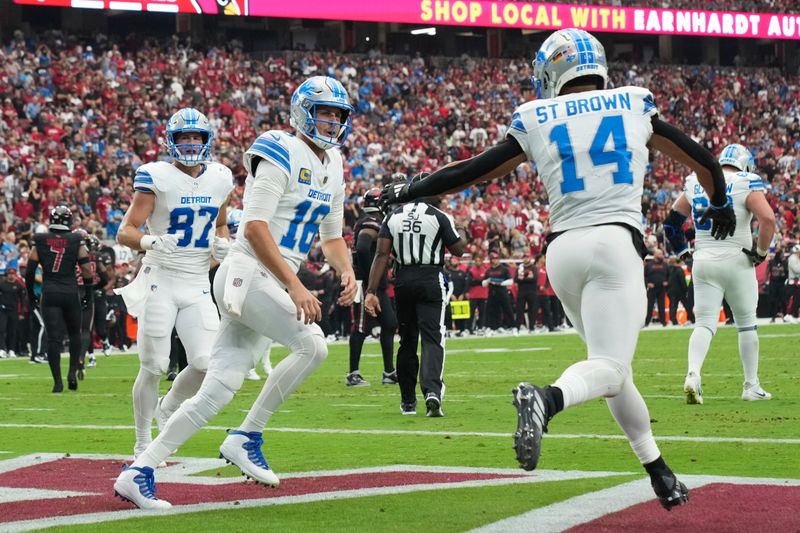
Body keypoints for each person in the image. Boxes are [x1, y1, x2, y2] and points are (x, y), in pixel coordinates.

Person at [381, 28, 737, 510]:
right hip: (615, 244)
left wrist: (406, 190)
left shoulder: (535, 116)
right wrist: (719, 205)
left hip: (563, 252)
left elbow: (471, 171)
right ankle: (546, 400)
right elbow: (704, 162)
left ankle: (657, 469)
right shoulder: (633, 103)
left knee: (608, 368)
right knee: (609, 367)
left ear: (551, 71)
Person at [114, 76, 357, 509]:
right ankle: (248, 435)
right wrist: (295, 284)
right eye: (324, 111)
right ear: (303, 111)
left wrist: (347, 271)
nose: (332, 120)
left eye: (338, 113)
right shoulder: (280, 149)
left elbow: (332, 235)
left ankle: (140, 470)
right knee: (313, 346)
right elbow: (255, 227)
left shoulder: (334, 164)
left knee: (217, 387)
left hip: (270, 276)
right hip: (249, 270)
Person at [114, 108, 234, 461]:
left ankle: (168, 408)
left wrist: (221, 245)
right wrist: (150, 242)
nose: (191, 143)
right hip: (161, 279)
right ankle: (141, 442)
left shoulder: (220, 178)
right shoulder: (156, 176)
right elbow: (126, 230)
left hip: (197, 280)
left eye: (197, 137)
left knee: (204, 362)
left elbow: (221, 224)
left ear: (207, 140)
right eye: (185, 137)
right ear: (172, 141)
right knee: (153, 365)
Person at [664, 143, 776, 403]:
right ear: (744, 164)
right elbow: (768, 219)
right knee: (747, 325)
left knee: (703, 324)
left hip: (703, 260)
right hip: (737, 259)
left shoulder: (696, 180)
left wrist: (682, 251)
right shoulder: (745, 181)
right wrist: (760, 252)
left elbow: (671, 224)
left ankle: (693, 374)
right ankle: (751, 385)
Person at [365, 176, 466, 416]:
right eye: (437, 189)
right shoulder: (439, 216)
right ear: (427, 190)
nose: (441, 195)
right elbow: (458, 250)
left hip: (403, 280)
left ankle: (408, 401)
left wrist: (371, 291)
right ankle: (432, 391)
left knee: (407, 341)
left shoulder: (393, 216)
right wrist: (460, 229)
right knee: (433, 338)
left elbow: (381, 255)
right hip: (430, 278)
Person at [25, 205, 94, 392]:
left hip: (50, 291)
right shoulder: (76, 239)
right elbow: (86, 268)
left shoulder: (40, 239)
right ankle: (72, 372)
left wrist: (31, 294)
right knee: (74, 334)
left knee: (53, 339)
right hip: (71, 291)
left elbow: (30, 270)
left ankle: (57, 382)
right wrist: (88, 293)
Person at [347, 188, 398, 387]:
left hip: (376, 286)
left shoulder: (374, 220)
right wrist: (371, 281)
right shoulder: (371, 222)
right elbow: (362, 245)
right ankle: (353, 374)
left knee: (390, 323)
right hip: (366, 285)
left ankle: (388, 372)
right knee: (361, 327)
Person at [483, 252, 516, 335]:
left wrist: (500, 283)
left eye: (496, 259)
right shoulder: (488, 270)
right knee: (492, 311)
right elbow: (483, 283)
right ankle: (494, 327)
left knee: (508, 310)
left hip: (502, 292)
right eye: (493, 259)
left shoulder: (504, 269)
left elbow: (511, 281)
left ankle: (513, 327)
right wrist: (488, 281)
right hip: (492, 293)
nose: (494, 261)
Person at [644, 249, 669, 326]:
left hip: (661, 288)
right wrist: (647, 284)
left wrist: (667, 281)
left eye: (662, 254)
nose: (661, 256)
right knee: (650, 306)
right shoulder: (648, 265)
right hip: (652, 288)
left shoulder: (665, 264)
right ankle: (647, 322)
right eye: (660, 254)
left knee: (662, 305)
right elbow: (644, 276)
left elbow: (669, 275)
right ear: (655, 255)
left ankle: (663, 322)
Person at [515, 253, 539, 332]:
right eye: (524, 257)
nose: (525, 259)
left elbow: (534, 279)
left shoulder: (533, 267)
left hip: (532, 291)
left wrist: (522, 278)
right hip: (522, 291)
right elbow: (516, 279)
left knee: (532, 310)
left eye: (527, 257)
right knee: (519, 310)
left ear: (530, 258)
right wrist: (527, 277)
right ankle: (517, 327)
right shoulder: (520, 267)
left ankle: (531, 328)